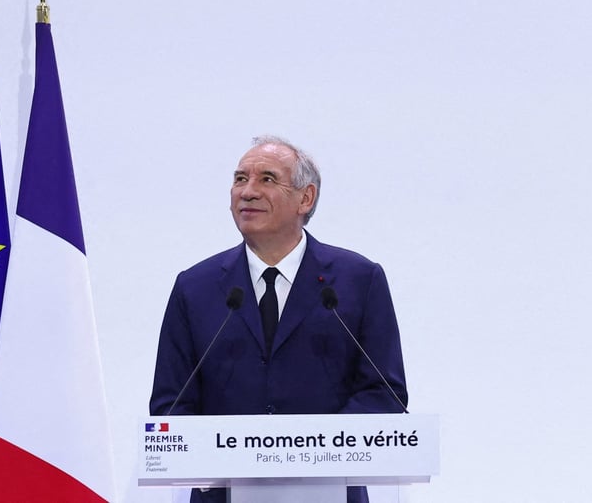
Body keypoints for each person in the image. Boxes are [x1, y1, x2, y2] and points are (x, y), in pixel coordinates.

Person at [150, 136, 408, 503]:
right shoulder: (195, 286)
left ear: (306, 198)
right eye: (240, 179)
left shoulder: (358, 280)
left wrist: (311, 451)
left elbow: (384, 393)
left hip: (328, 492)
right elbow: (171, 403)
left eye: (267, 179)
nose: (248, 192)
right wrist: (232, 456)